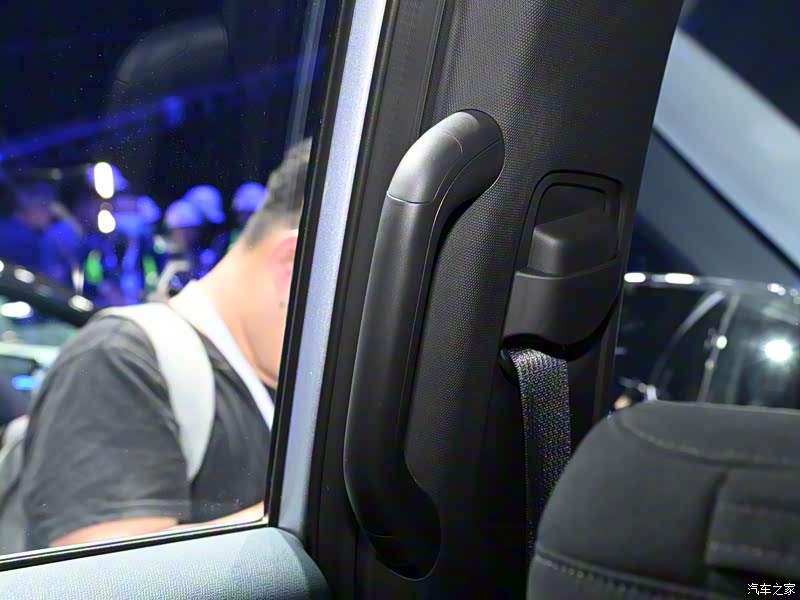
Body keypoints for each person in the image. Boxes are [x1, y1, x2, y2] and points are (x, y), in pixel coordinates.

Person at [19, 138, 310, 550]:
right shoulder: (120, 361)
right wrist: (316, 512)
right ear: (292, 262)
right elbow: (101, 574)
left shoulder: (284, 385)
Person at [0, 179, 55, 273]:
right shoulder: (28, 240)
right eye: (46, 207)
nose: (51, 214)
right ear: (33, 208)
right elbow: (40, 276)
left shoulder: (4, 226)